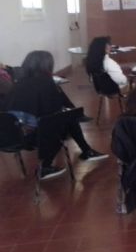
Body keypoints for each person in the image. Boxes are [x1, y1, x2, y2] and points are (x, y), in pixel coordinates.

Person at [4, 51, 108, 180]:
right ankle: (45, 166)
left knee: (67, 117)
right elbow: (52, 113)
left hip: (10, 137)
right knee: (66, 119)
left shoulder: (17, 84)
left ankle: (87, 150)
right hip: (32, 137)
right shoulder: (46, 83)